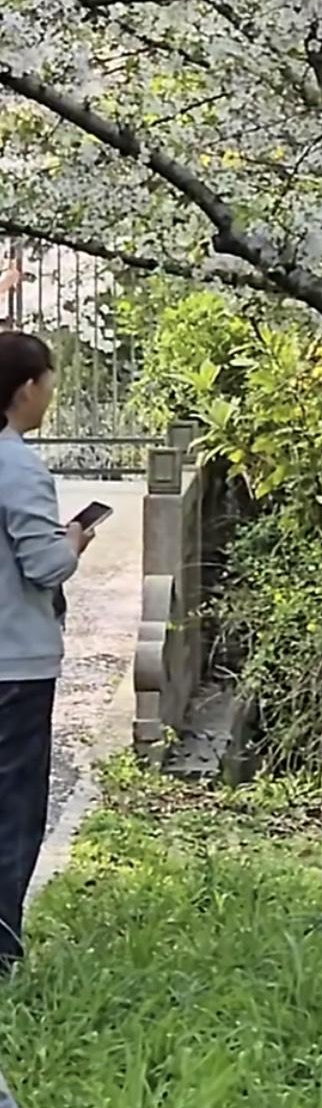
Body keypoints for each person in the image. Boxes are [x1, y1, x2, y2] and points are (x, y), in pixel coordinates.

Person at [0, 332, 95, 974]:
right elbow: (44, 566)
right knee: (12, 808)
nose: (51, 394)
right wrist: (74, 542)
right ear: (25, 388)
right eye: (49, 382)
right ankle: (0, 948)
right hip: (15, 664)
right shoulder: (18, 466)